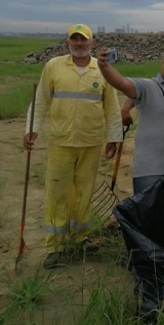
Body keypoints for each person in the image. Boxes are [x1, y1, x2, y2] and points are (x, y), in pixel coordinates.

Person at [23, 24, 122, 269]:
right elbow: (41, 100)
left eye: (83, 39)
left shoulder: (102, 69)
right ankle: (55, 246)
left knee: (84, 192)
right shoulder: (54, 66)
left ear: (93, 42)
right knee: (57, 193)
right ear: (68, 42)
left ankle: (81, 237)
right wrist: (31, 129)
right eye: (74, 39)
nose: (79, 43)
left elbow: (111, 108)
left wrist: (114, 138)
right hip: (61, 143)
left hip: (90, 143)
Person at [98, 49, 164, 194]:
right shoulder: (148, 86)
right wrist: (104, 66)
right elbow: (121, 83)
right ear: (162, 64)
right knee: (148, 216)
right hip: (150, 172)